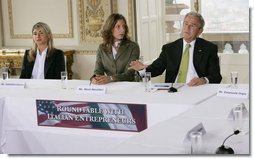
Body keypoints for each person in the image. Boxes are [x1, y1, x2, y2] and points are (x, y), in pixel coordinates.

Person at [129, 11, 222, 87]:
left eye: (192, 25)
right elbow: (156, 68)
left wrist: (203, 80)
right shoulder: (170, 48)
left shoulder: (209, 49)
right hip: (173, 90)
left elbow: (216, 76)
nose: (187, 28)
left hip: (197, 89)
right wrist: (142, 70)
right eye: (185, 24)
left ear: (200, 31)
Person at [91, 13, 140, 85]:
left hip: (129, 87)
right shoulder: (102, 48)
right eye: (118, 27)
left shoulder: (133, 47)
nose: (123, 30)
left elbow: (129, 74)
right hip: (110, 87)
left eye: (124, 26)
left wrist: (110, 78)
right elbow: (98, 71)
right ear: (110, 28)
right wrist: (95, 78)